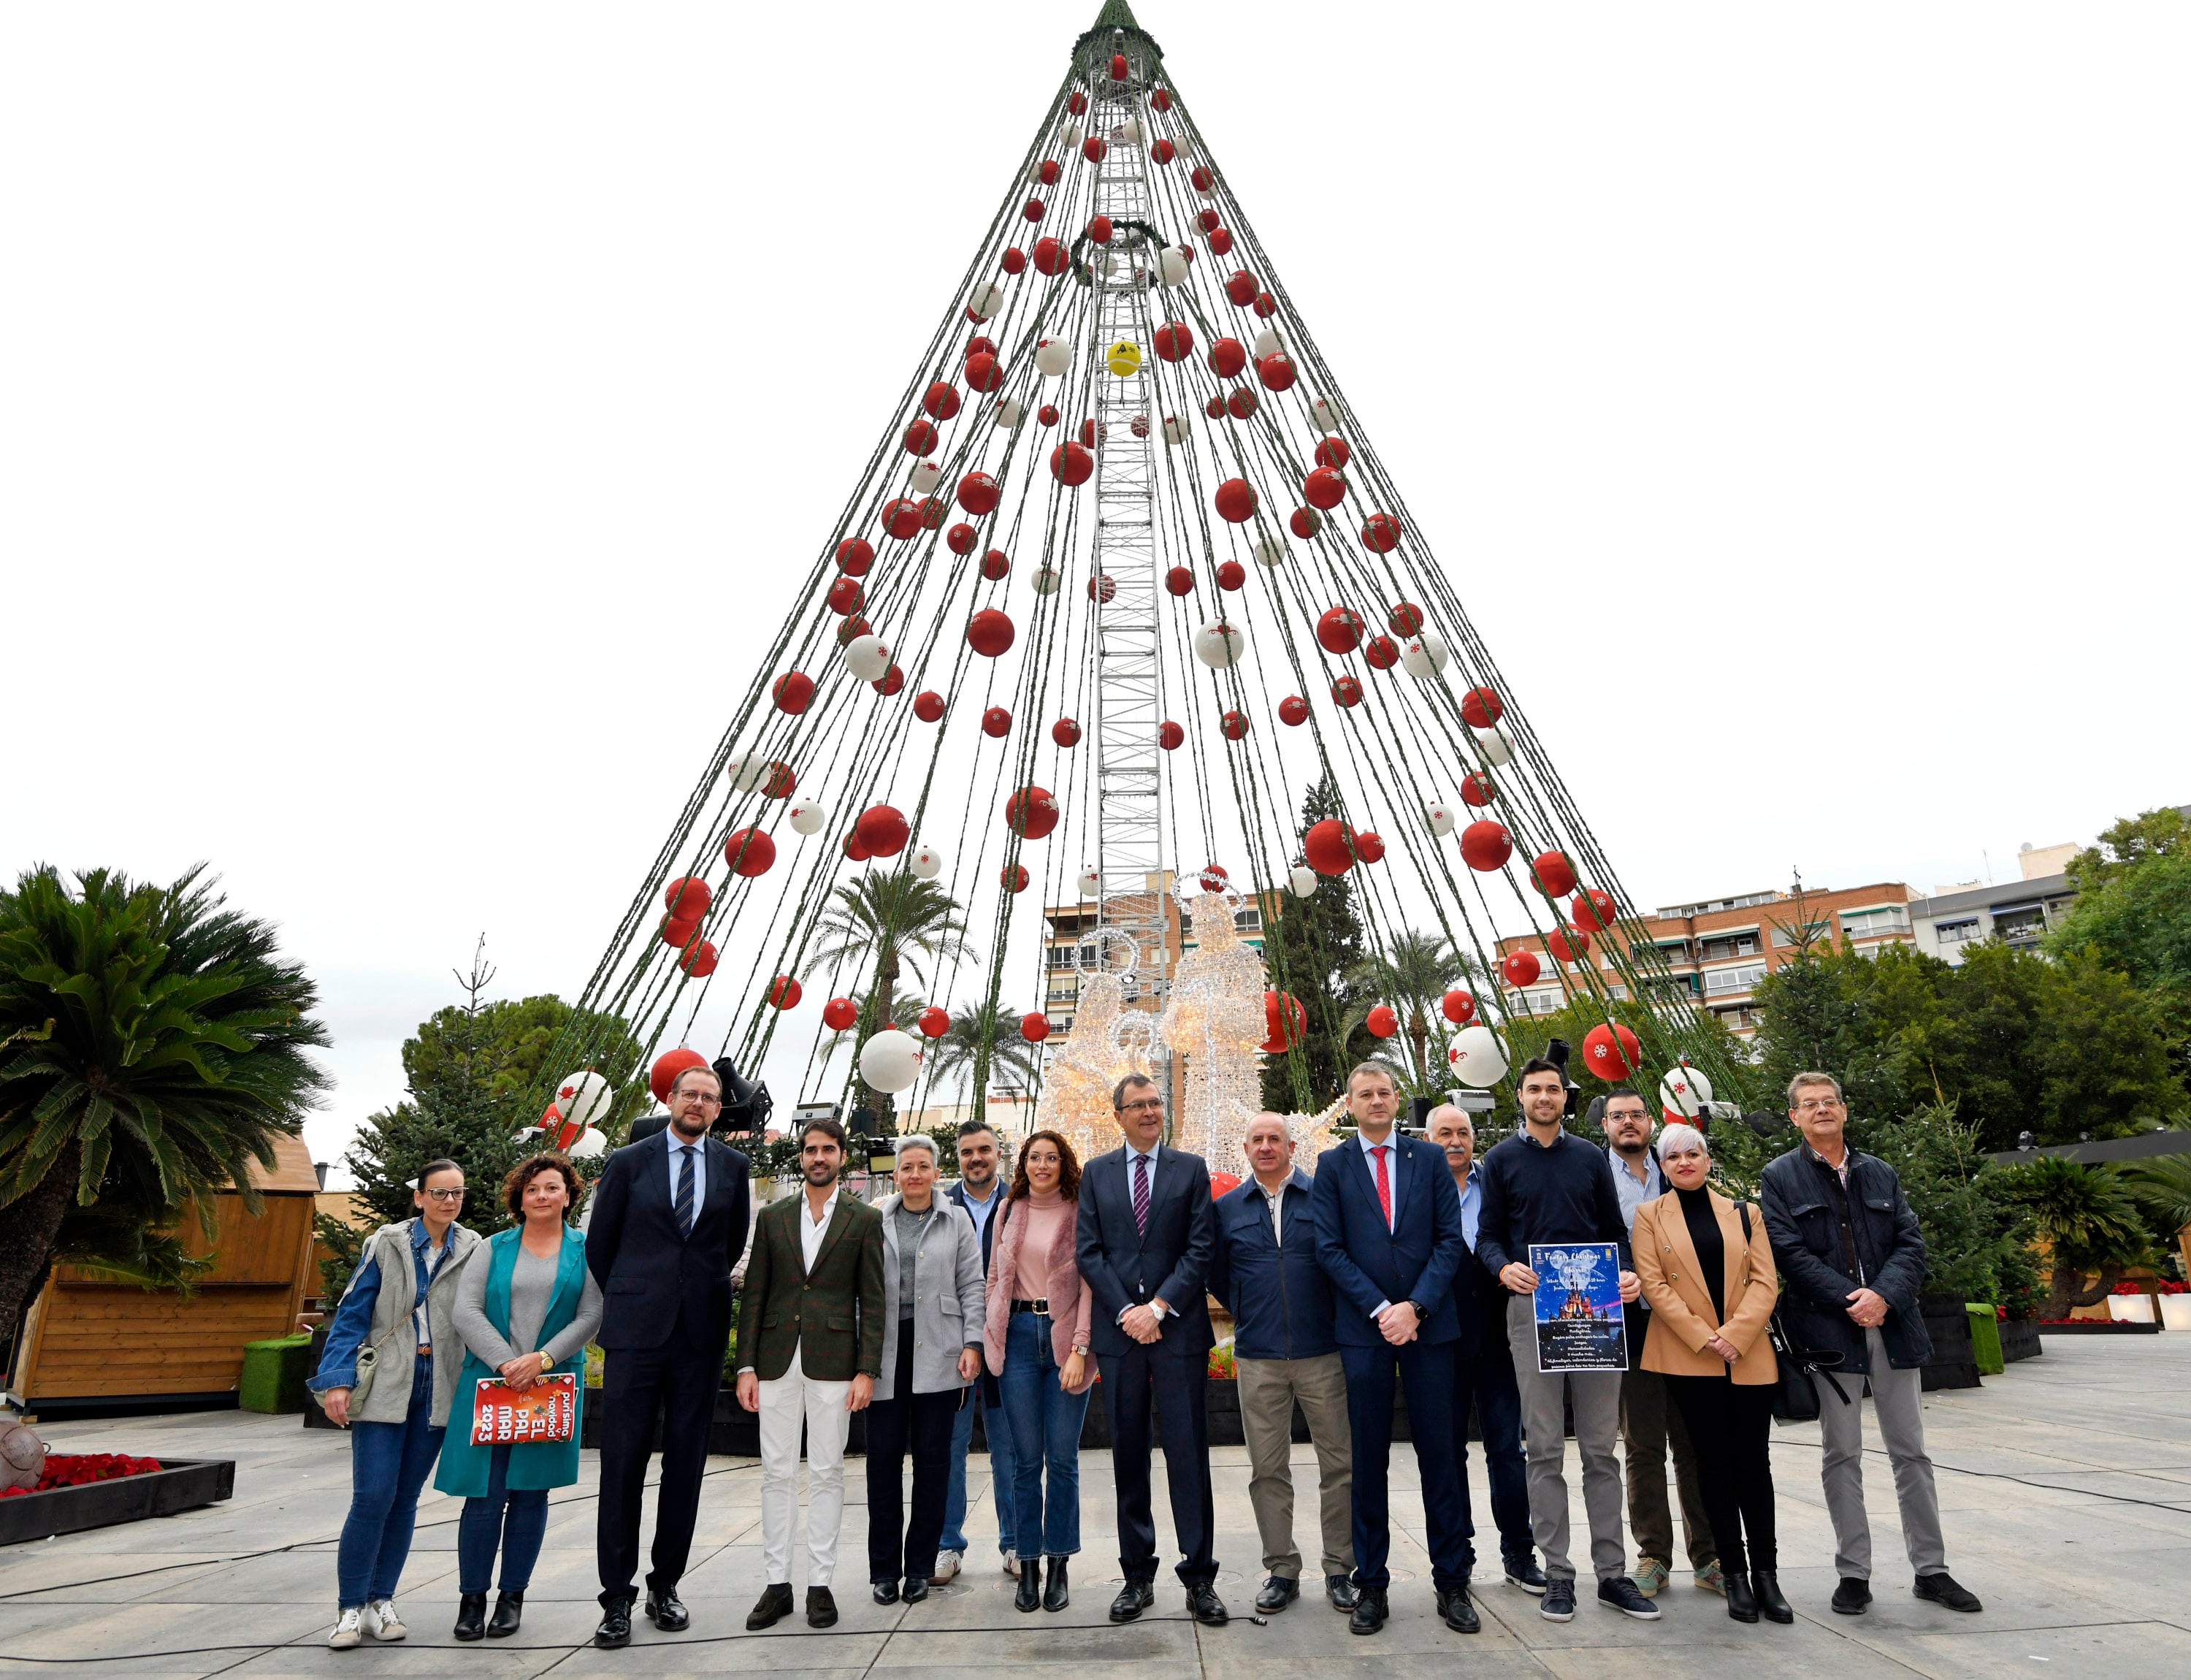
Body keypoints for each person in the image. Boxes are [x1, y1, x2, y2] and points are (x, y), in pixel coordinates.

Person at [1759, 1072, 1984, 1618]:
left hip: (1894, 1328)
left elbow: (1911, 1242)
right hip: (1831, 1338)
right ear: (1794, 1116)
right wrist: (1850, 1298)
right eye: (1808, 1105)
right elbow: (1787, 1253)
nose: (1821, 1111)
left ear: (1844, 1110)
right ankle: (1853, 1573)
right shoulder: (1780, 1176)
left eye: (1829, 1102)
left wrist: (1883, 1296)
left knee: (1911, 1452)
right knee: (1842, 1454)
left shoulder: (1878, 1171)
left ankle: (1931, 1570)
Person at [1475, 1056, 1657, 1625]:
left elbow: (1613, 1232)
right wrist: (1503, 1268)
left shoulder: (1588, 1157)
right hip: (1533, 1308)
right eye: (1535, 1089)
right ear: (1521, 1097)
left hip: (1596, 1308)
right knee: (1546, 1449)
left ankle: (1612, 1574)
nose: (1545, 1097)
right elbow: (1487, 1236)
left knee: (1602, 1448)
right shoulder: (1500, 1160)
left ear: (1566, 1098)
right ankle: (1558, 1574)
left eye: (1554, 1089)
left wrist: (1626, 1270)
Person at [584, 1063, 754, 1648]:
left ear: (716, 1109)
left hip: (699, 1339)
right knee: (623, 1466)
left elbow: (728, 1244)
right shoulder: (628, 1162)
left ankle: (665, 1587)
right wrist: (638, 1296)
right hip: (635, 1335)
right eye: (691, 1094)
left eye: (710, 1098)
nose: (699, 1104)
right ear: (671, 1099)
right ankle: (616, 1599)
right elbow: (601, 1247)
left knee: (685, 1467)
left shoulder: (735, 1167)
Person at [1312, 1065, 1477, 1635]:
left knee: (1441, 1458)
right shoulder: (1332, 1166)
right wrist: (1384, 1310)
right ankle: (1372, 1586)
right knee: (1368, 1462)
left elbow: (1449, 1240)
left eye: (1384, 1093)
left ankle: (1452, 1583)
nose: (1376, 1101)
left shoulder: (1428, 1158)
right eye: (1365, 1095)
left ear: (1396, 1101)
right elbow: (1328, 1249)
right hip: (1365, 1332)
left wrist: (1417, 1308)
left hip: (1431, 1330)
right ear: (1351, 1104)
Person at [308, 1158, 482, 1649]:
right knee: (372, 1497)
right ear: (419, 1197)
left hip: (437, 1383)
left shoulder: (472, 1247)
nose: (449, 1202)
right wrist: (338, 1381)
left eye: (457, 1193)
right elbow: (353, 1313)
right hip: (387, 1378)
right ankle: (349, 1609)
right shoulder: (387, 1243)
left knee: (405, 1501)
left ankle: (382, 1601)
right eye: (440, 1193)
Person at [1076, 1074, 1228, 1627]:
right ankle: (1137, 1576)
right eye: (1137, 1105)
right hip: (1121, 1337)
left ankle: (1200, 1576)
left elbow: (1201, 1247)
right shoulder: (1096, 1173)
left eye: (1155, 1103)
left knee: (1189, 1456)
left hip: (1177, 1333)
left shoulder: (1190, 1170)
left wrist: (1159, 1308)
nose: (1149, 1112)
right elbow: (1089, 1253)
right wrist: (1127, 1312)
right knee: (1128, 1456)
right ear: (1117, 1115)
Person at [437, 1153, 603, 1641]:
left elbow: (592, 1315)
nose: (542, 1196)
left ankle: (511, 1599)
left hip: (549, 1386)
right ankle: (472, 1600)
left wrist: (542, 1359)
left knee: (531, 1493)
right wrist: (507, 1362)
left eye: (552, 1187)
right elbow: (466, 1311)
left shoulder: (586, 1250)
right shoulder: (492, 1248)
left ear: (568, 1195)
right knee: (483, 1498)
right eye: (532, 1189)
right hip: (491, 1384)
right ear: (520, 1198)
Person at [1632, 1123, 1787, 1625]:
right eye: (1673, 1156)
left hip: (1747, 1356)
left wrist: (1735, 1336)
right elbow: (1655, 1286)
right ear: (1662, 1166)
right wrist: (1705, 1337)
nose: (1684, 1162)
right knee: (1712, 1466)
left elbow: (1766, 1282)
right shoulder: (1649, 1216)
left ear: (1707, 1159)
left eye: (1692, 1153)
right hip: (1688, 1355)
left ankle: (1768, 1575)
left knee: (1754, 1468)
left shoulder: (1747, 1214)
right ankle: (1734, 1575)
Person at [735, 1115, 886, 1631]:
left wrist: (867, 1369)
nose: (817, 1157)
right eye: (809, 1150)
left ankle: (820, 1584)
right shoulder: (772, 1216)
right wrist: (746, 1365)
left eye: (827, 1149)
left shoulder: (864, 1219)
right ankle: (778, 1584)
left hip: (836, 1364)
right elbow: (754, 1295)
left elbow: (875, 1299)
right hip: (776, 1361)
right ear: (800, 1157)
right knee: (776, 1474)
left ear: (843, 1157)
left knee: (827, 1473)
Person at [1208, 1112, 1358, 1615]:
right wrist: (1250, 1310)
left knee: (1340, 1465)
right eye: (1258, 1140)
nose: (1267, 1147)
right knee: (1267, 1469)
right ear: (1245, 1148)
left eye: (1276, 1139)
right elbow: (1218, 1275)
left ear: (1293, 1147)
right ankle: (1282, 1569)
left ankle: (1340, 1568)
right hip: (1259, 1358)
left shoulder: (1324, 1199)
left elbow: (1344, 1262)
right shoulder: (1227, 1209)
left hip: (1323, 1354)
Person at [1602, 1088, 1721, 1598]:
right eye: (1617, 1116)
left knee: (1696, 1442)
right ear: (1604, 1125)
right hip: (1631, 1324)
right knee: (1643, 1445)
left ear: (1650, 1121)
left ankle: (1710, 1554)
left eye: (1636, 1114)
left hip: (1691, 1326)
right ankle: (1654, 1553)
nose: (1628, 1123)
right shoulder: (1595, 1175)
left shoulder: (1676, 1165)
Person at [1423, 1103, 1544, 1594]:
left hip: (1497, 1340)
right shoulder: (1418, 1189)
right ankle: (1459, 1553)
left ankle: (1519, 1551)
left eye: (1463, 1133)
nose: (1455, 1141)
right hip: (1438, 1342)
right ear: (1428, 1139)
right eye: (1444, 1133)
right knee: (1447, 1455)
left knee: (1507, 1453)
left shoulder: (1495, 1182)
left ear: (1474, 1139)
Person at [866, 1135, 987, 1605]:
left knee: (934, 1465)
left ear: (938, 1173)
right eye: (906, 1167)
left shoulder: (955, 1220)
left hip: (940, 1353)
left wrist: (972, 1342)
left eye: (923, 1167)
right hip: (886, 1357)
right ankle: (883, 1570)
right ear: (895, 1174)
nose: (914, 1175)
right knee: (882, 1464)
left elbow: (972, 1285)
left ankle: (919, 1567)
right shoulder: (875, 1220)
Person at [984, 1129, 1096, 1613]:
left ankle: (1059, 1565)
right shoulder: (1009, 1210)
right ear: (1023, 1164)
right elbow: (994, 1275)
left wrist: (1080, 1347)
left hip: (1065, 1340)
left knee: (1064, 1461)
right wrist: (990, 1333)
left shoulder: (1080, 1211)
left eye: (1052, 1158)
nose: (1043, 1165)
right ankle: (1026, 1564)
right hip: (1018, 1341)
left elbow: (1092, 1283)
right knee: (1025, 1462)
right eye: (1035, 1158)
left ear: (1064, 1163)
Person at [938, 1119, 1017, 1584]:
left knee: (1011, 1446)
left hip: (1010, 1346)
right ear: (958, 1158)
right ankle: (948, 1545)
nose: (976, 1159)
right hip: (955, 1347)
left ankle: (1016, 1544)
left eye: (984, 1150)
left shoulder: (1021, 1201)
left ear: (998, 1153)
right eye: (967, 1152)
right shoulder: (939, 1204)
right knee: (949, 1446)